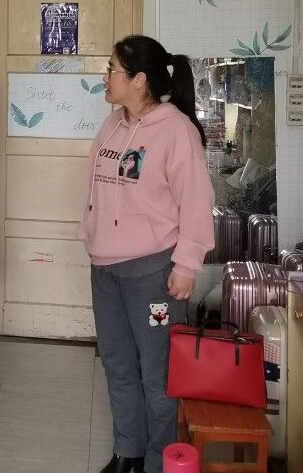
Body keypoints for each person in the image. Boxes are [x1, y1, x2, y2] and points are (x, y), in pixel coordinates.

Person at [82, 35, 215, 473]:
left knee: (157, 373)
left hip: (153, 274)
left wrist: (187, 264)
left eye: (112, 70)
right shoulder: (112, 125)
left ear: (139, 80)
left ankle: (160, 461)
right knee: (118, 365)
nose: (106, 77)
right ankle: (128, 452)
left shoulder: (177, 131)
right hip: (106, 269)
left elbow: (196, 202)